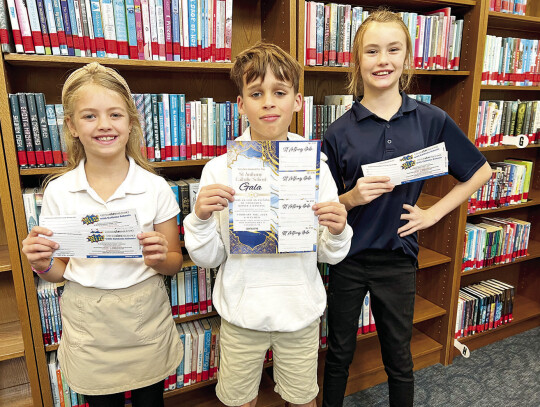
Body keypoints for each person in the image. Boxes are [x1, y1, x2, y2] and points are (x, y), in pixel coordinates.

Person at [320, 9, 492, 407]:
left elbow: (479, 171)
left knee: (398, 356)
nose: (383, 60)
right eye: (372, 51)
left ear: (407, 59)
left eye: (393, 49)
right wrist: (351, 197)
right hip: (347, 258)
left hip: (398, 258)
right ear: (357, 61)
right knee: (339, 353)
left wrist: (433, 214)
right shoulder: (338, 131)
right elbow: (326, 204)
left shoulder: (431, 120)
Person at [184, 42, 353, 407]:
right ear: (242, 104)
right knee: (237, 399)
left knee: (303, 398)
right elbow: (210, 258)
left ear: (297, 101)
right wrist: (198, 219)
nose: (269, 102)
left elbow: (330, 254)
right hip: (242, 314)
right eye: (256, 93)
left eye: (280, 92)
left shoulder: (315, 166)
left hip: (299, 312)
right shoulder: (220, 168)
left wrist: (338, 230)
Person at [21, 62, 183, 407]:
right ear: (72, 126)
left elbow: (173, 263)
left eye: (115, 115)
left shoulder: (154, 187)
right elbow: (59, 270)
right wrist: (41, 264)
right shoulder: (59, 191)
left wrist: (158, 256)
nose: (104, 125)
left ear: (130, 123)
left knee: (149, 401)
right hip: (88, 323)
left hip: (145, 318)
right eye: (90, 116)